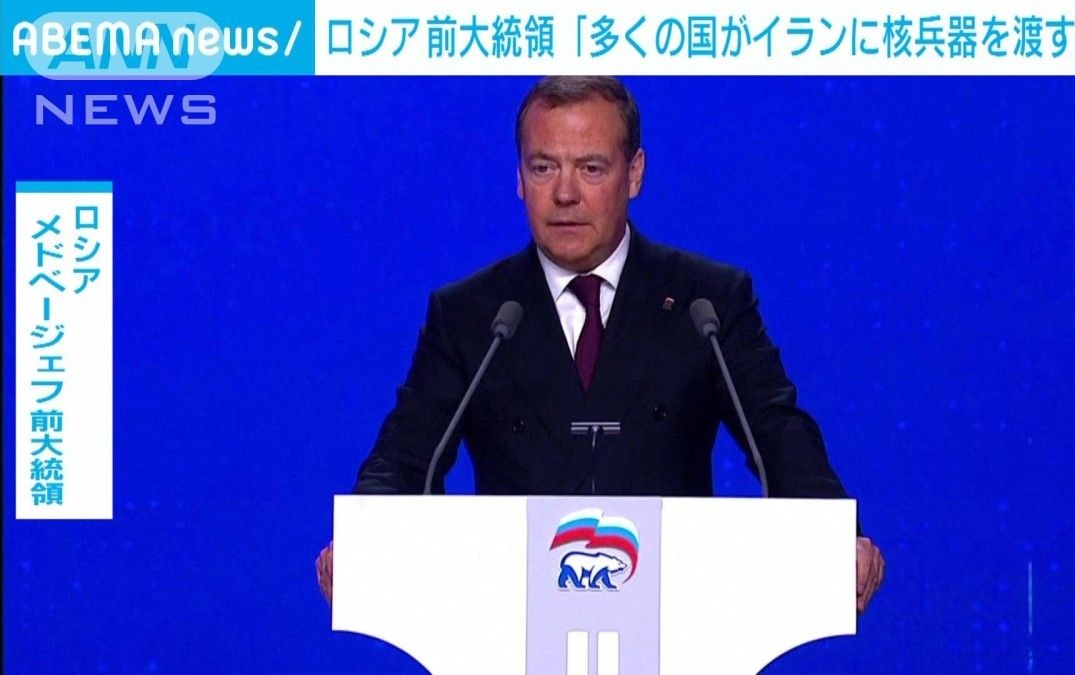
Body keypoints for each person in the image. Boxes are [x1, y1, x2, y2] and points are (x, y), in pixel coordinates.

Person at [316, 76, 884, 613]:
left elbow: (779, 437)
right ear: (519, 178)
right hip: (511, 619)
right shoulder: (472, 313)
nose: (565, 193)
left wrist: (835, 535)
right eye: (543, 167)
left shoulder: (706, 302)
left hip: (676, 618)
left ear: (634, 174)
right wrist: (367, 537)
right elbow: (406, 456)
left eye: (591, 168)